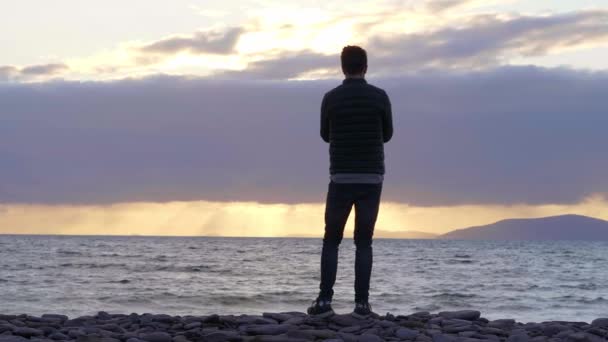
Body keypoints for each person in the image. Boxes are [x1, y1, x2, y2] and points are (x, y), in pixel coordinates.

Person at [307, 45, 393, 318]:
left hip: (341, 176)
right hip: (371, 178)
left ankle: (324, 301)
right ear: (365, 67)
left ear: (342, 67)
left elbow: (324, 135)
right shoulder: (380, 97)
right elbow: (387, 135)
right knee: (364, 242)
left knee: (331, 240)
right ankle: (362, 304)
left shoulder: (331, 98)